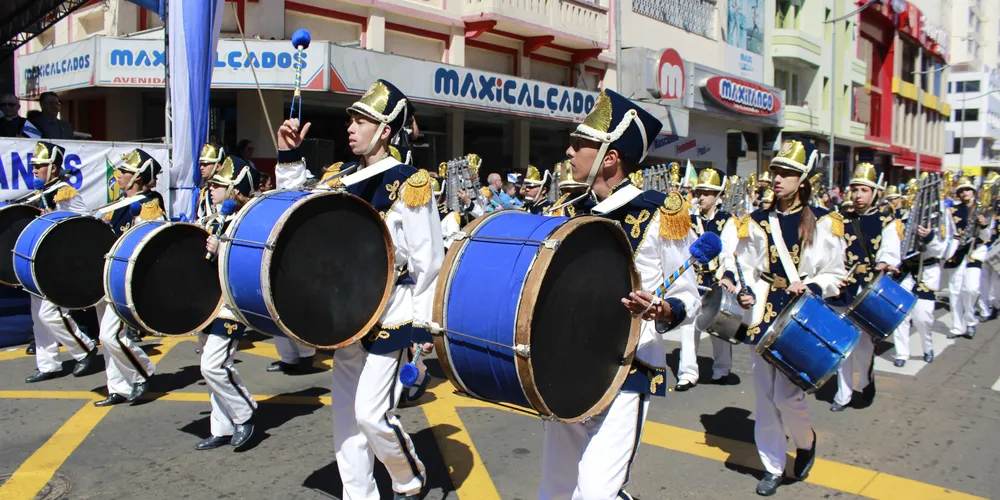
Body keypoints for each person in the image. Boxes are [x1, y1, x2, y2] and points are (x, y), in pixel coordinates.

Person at [275, 79, 443, 500]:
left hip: (391, 312)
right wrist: (289, 154)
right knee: (347, 417)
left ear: (384, 130)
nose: (350, 126)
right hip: (346, 313)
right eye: (351, 118)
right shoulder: (338, 176)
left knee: (371, 414)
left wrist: (421, 329)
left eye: (362, 119)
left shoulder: (409, 181)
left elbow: (428, 260)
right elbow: (294, 208)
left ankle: (408, 477)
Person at [540, 89, 700, 500]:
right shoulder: (567, 210)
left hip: (627, 364)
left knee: (594, 492)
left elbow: (688, 293)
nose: (569, 150)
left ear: (610, 157)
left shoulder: (660, 210)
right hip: (567, 360)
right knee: (556, 486)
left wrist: (662, 307)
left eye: (581, 144)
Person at [720, 137, 847, 496]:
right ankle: (773, 466)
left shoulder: (824, 221)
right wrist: (736, 282)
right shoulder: (756, 221)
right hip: (763, 313)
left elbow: (835, 273)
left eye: (787, 173)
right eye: (775, 171)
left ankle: (805, 442)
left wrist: (815, 287)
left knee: (788, 397)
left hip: (801, 315)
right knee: (764, 397)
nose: (777, 178)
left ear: (802, 180)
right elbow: (741, 263)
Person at [92, 149, 166, 406]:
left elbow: (153, 242)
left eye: (123, 172)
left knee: (111, 335)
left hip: (125, 280)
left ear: (136, 177)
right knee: (107, 336)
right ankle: (118, 387)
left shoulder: (150, 204)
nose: (118, 175)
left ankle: (143, 371)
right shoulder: (118, 203)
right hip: (106, 276)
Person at [21, 141, 100, 384]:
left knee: (51, 313)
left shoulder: (65, 191)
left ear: (53, 168)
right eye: (33, 166)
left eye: (40, 166)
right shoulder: (42, 192)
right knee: (38, 315)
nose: (34, 170)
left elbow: (83, 224)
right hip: (41, 261)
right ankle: (48, 364)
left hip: (62, 263)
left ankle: (84, 348)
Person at [198, 156, 261, 450]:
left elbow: (251, 261)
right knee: (212, 364)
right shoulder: (216, 217)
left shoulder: (250, 219)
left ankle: (245, 413)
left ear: (235, 189)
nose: (212, 188)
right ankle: (222, 426)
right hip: (210, 302)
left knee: (213, 365)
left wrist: (221, 247)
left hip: (233, 303)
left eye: (219, 184)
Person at [828, 163, 900, 411]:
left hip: (868, 290)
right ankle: (843, 395)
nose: (857, 195)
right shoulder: (839, 220)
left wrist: (885, 263)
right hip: (842, 289)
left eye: (863, 190)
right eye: (854, 189)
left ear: (875, 193)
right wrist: (836, 274)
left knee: (864, 347)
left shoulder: (886, 221)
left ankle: (867, 381)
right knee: (842, 345)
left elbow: (890, 251)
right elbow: (832, 252)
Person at [675, 168, 739, 391]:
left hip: (715, 282)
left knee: (719, 327)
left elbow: (729, 253)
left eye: (707, 193)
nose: (701, 197)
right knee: (688, 325)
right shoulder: (688, 221)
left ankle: (721, 370)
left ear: (719, 196)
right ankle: (687, 373)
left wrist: (728, 277)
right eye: (699, 192)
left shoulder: (727, 221)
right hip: (693, 281)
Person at [893, 175, 955, 367]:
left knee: (923, 317)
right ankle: (901, 353)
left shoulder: (939, 218)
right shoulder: (901, 218)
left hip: (926, 270)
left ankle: (927, 347)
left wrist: (929, 238)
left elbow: (944, 249)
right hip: (904, 272)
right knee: (900, 315)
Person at [943, 177, 991, 339]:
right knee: (955, 292)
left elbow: (986, 236)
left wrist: (983, 225)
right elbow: (948, 233)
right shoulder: (952, 212)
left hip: (974, 253)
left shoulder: (982, 209)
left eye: (967, 189)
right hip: (956, 254)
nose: (964, 193)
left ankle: (970, 321)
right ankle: (957, 327)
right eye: (961, 190)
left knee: (970, 289)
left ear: (973, 191)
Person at [197, 143, 227, 219]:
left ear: (218, 167)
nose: (201, 168)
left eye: (205, 164)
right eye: (201, 164)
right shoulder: (204, 192)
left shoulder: (228, 191)